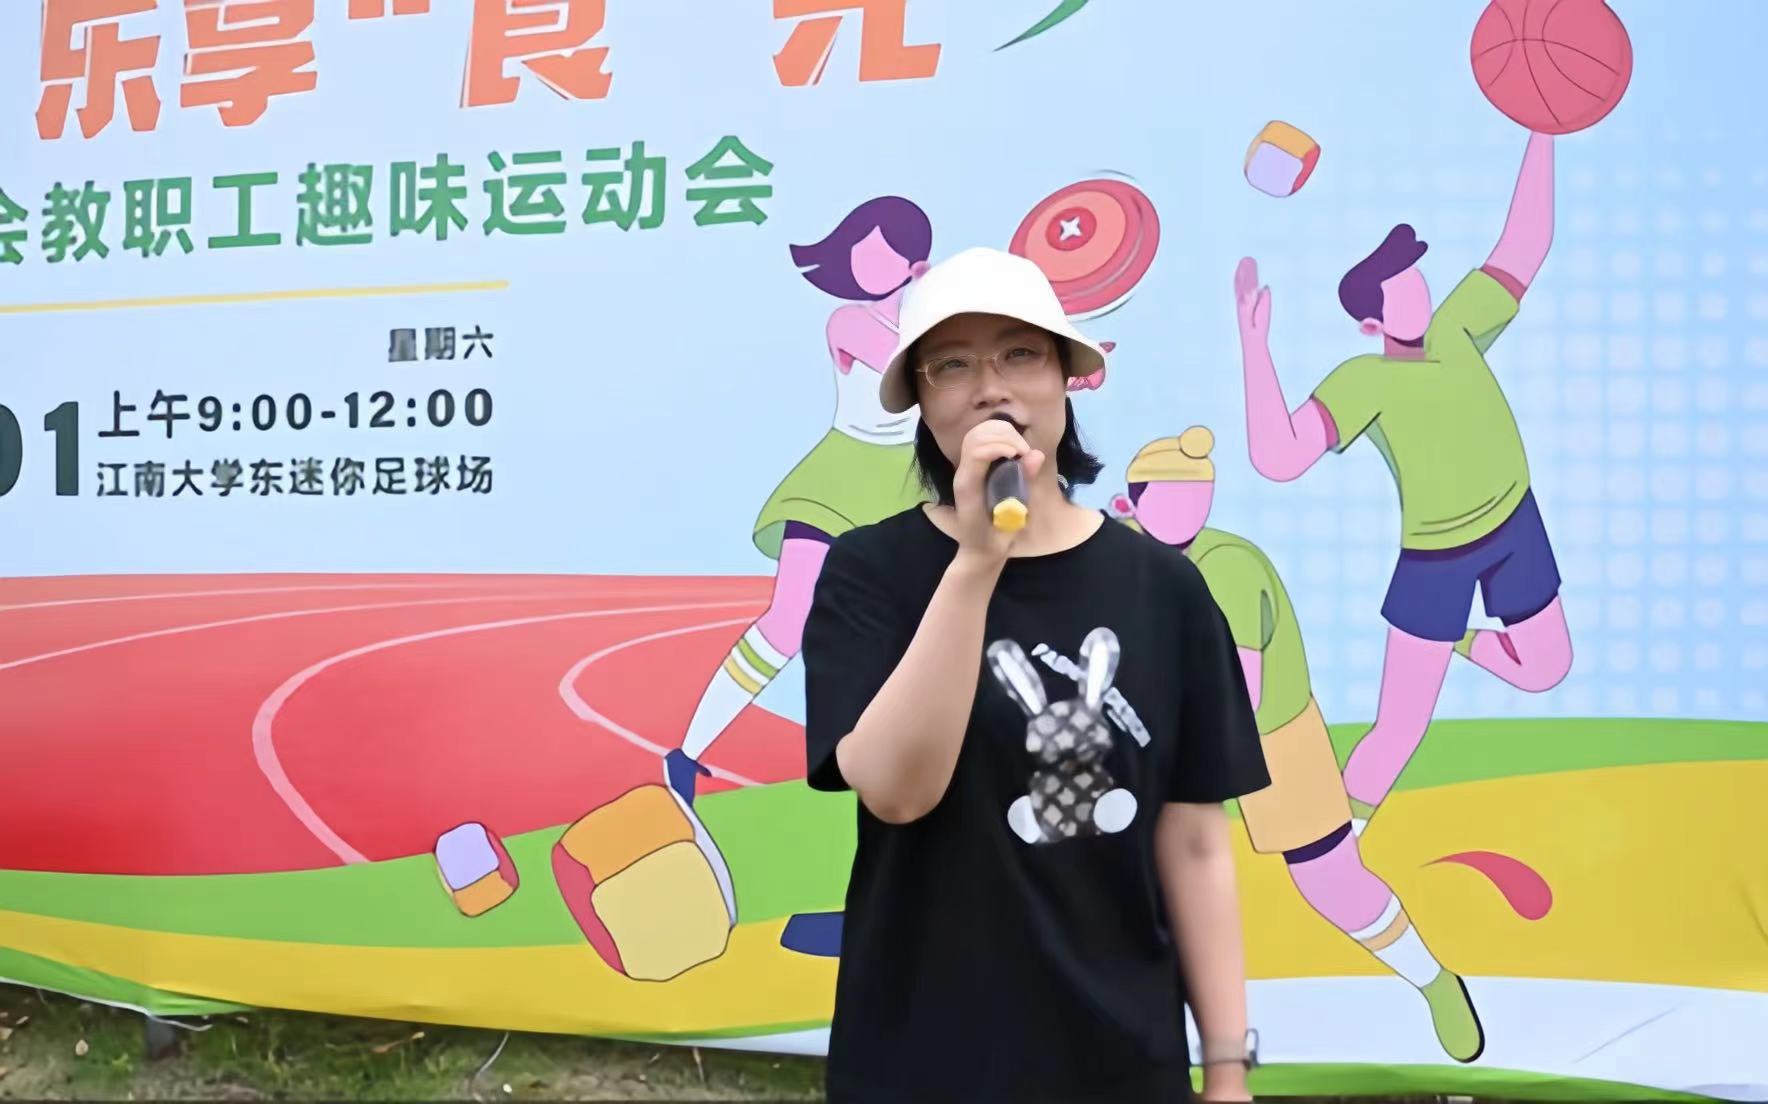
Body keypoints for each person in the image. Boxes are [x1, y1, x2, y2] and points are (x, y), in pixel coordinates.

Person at [799, 245, 1271, 1103]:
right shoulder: (869, 573)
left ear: (1064, 377)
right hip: (920, 1063)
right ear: (923, 404)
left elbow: (1196, 842)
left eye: (1019, 353)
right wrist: (978, 561)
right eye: (953, 365)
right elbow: (898, 792)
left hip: (1123, 1064)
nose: (991, 388)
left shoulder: (1164, 588)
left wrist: (1228, 1070)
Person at [1233, 130, 1572, 835]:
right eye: (1400, 285)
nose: (1418, 287)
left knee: (1547, 667)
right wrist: (1254, 347)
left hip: (1514, 524)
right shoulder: (1365, 381)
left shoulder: (1457, 329)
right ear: (1372, 322)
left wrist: (1543, 128)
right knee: (1400, 726)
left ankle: (1459, 640)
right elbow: (1279, 456)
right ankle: (1340, 833)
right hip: (1436, 559)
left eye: (1416, 275)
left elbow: (1525, 245)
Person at [1109, 427, 1483, 1063]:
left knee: (1329, 877)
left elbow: (1243, 690)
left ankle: (1432, 980)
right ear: (1135, 504)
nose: (1181, 509)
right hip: (1162, 731)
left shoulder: (1228, 568)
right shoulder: (1124, 548)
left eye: (1193, 496)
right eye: (1164, 498)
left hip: (1270, 733)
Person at [664, 196, 933, 814]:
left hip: (908, 485)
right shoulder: (850, 321)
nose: (865, 264)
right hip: (837, 480)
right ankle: (688, 751)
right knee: (787, 622)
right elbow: (905, 372)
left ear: (913, 267)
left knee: (916, 633)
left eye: (880, 255)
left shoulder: (938, 332)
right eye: (860, 251)